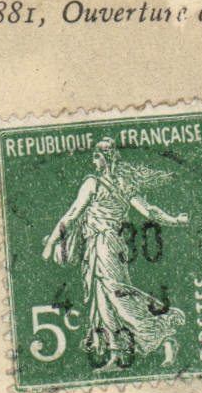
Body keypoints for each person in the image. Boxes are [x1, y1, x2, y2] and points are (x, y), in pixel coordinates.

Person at [42, 137, 191, 370]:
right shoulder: (124, 187)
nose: (93, 161)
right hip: (106, 245)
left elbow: (71, 215)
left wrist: (51, 243)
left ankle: (163, 335)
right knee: (103, 301)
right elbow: (150, 211)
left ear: (106, 158)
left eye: (96, 156)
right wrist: (176, 220)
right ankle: (114, 355)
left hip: (104, 244)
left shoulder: (93, 184)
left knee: (116, 297)